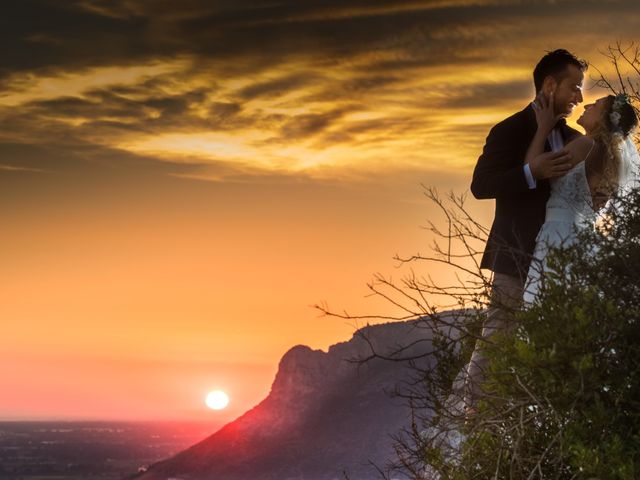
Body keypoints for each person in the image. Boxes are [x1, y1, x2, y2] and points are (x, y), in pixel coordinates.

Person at [463, 49, 588, 414]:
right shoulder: (508, 130)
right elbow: (481, 185)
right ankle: (475, 414)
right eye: (574, 88)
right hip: (516, 253)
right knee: (499, 332)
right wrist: (532, 173)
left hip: (558, 256)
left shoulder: (573, 135)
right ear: (549, 85)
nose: (579, 98)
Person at [523, 92, 639, 303]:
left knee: (547, 306)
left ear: (605, 120)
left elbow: (534, 168)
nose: (587, 106)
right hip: (583, 237)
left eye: (595, 105)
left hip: (559, 234)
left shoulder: (585, 145)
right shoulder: (610, 157)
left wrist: (542, 129)